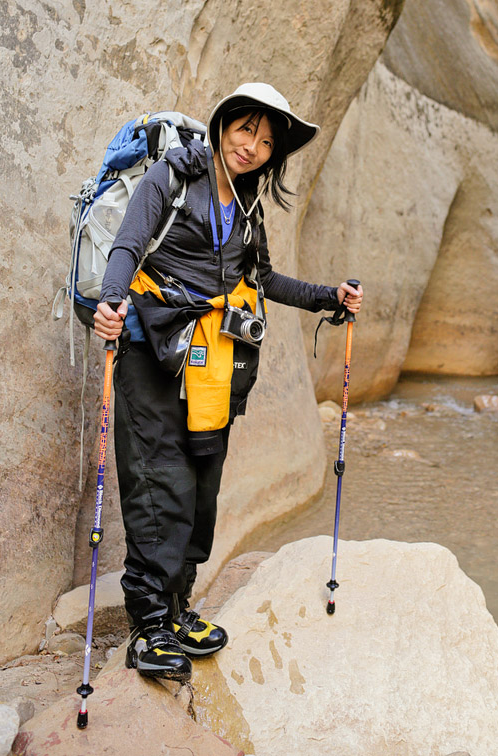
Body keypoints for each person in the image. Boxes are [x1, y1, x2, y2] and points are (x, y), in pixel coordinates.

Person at [94, 83, 362, 682]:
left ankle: (178, 608)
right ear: (222, 126)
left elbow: (261, 280)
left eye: (266, 142)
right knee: (157, 485)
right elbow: (128, 245)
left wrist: (328, 298)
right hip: (148, 351)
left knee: (199, 490)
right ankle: (149, 626)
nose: (253, 147)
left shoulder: (246, 206)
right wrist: (112, 303)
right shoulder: (171, 178)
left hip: (211, 365)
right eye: (245, 131)